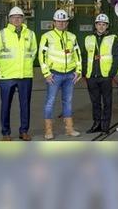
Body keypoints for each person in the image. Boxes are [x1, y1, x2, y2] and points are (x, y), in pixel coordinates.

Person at [0, 6, 37, 141]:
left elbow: (33, 52)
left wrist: (26, 65)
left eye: (19, 17)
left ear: (23, 19)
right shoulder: (1, 34)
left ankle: (24, 131)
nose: (17, 19)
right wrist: (4, 67)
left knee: (25, 105)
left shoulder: (30, 34)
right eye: (14, 17)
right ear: (9, 19)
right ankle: (5, 133)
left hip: (25, 75)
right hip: (7, 76)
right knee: (5, 105)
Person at [39, 9, 82, 140]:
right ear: (54, 22)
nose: (61, 24)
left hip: (69, 75)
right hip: (54, 75)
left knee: (68, 102)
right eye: (59, 21)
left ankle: (69, 129)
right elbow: (42, 56)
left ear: (67, 23)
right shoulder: (47, 37)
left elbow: (77, 54)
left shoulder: (72, 37)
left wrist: (78, 70)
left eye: (64, 21)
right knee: (50, 102)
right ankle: (48, 130)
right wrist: (46, 73)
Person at [83, 13, 118, 134]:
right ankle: (96, 124)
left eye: (103, 24)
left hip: (105, 76)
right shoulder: (88, 38)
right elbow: (84, 57)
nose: (101, 27)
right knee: (95, 103)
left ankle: (105, 126)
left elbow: (117, 57)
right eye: (99, 24)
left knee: (107, 102)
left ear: (107, 26)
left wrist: (111, 74)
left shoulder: (113, 38)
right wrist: (85, 73)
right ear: (95, 25)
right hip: (92, 77)